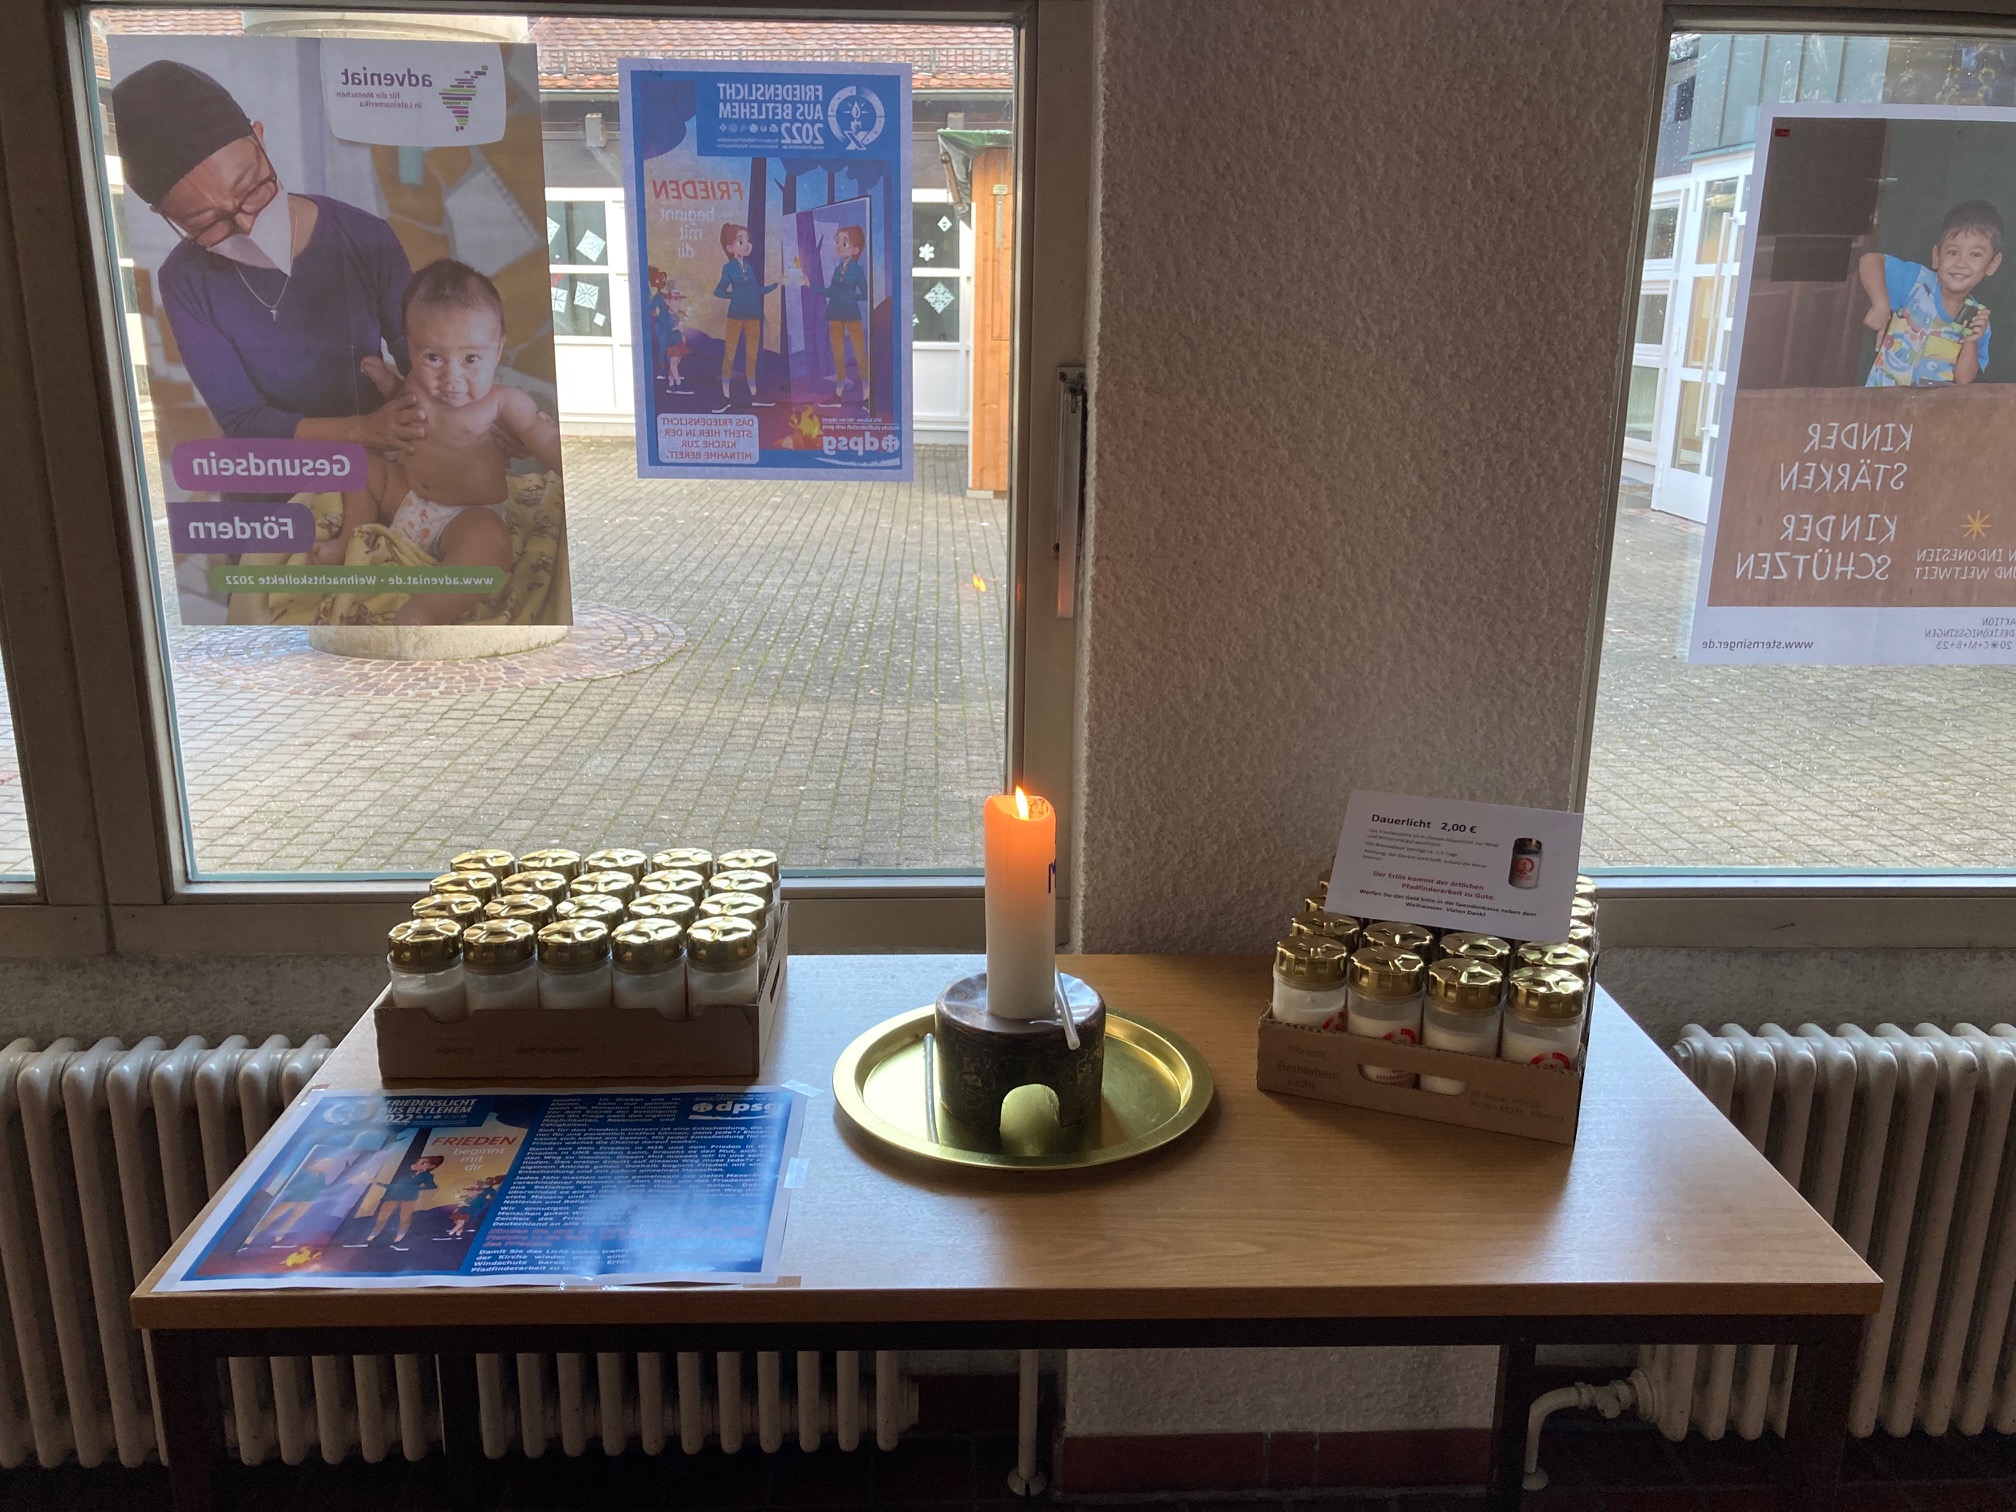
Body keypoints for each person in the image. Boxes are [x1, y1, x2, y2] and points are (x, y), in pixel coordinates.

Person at [111, 59, 424, 458]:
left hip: (378, 465)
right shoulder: (185, 279)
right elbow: (242, 419)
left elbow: (422, 360)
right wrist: (362, 430)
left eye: (250, 187)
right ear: (164, 215)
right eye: (207, 222)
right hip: (272, 474)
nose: (246, 224)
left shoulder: (363, 237)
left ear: (259, 138)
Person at [315, 260, 563, 626]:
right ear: (411, 347)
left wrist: (574, 466)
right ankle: (354, 537)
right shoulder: (417, 382)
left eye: (471, 359)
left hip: (467, 518)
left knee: (491, 543)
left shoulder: (504, 402)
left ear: (498, 348)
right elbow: (405, 403)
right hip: (408, 499)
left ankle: (425, 611)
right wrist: (388, 383)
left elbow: (543, 436)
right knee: (357, 463)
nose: (452, 378)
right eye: (433, 357)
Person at [1861, 200, 2003, 386]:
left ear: (1992, 264)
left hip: (1933, 405)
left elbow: (1963, 380)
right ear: (1937, 256)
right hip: (1882, 399)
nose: (1961, 263)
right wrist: (1880, 304)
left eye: (1975, 255)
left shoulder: (1977, 319)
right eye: (1953, 252)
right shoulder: (1916, 282)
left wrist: (1971, 341)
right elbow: (1870, 260)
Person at [806, 225, 871, 407]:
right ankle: (838, 395)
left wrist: (851, 298)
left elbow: (865, 294)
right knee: (838, 355)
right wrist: (810, 285)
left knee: (860, 353)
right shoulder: (837, 269)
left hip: (852, 315)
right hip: (834, 314)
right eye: (838, 242)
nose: (839, 246)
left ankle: (867, 393)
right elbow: (830, 292)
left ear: (855, 250)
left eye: (844, 243)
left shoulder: (857, 270)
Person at [714, 222, 777, 407]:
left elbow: (757, 290)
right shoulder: (729, 268)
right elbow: (718, 291)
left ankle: (754, 393)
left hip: (753, 316)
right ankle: (725, 393)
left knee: (752, 355)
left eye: (747, 240)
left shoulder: (748, 267)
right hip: (735, 316)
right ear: (730, 247)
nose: (746, 244)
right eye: (740, 241)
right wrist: (735, 296)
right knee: (730, 353)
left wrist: (776, 284)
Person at [360, 1153, 443, 1250]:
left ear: (431, 1166)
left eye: (423, 1163)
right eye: (418, 1161)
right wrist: (377, 1182)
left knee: (404, 1218)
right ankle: (371, 1237)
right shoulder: (408, 1175)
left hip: (409, 1198)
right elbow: (394, 1186)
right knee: (382, 1217)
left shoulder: (426, 1175)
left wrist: (414, 1188)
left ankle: (398, 1240)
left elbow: (432, 1186)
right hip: (393, 1196)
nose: (419, 1164)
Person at [646, 267, 689, 392]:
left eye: (665, 279)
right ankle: (663, 371)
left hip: (670, 323)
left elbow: (674, 308)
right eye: (662, 280)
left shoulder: (667, 296)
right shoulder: (657, 298)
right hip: (662, 324)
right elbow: (651, 310)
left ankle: (671, 377)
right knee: (664, 347)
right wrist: (656, 316)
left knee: (673, 350)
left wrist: (681, 312)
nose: (664, 282)